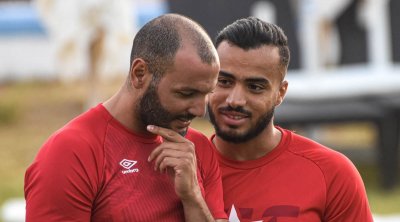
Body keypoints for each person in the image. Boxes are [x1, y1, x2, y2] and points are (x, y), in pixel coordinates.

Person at [25, 14, 227, 221]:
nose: (199, 110)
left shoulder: (198, 149)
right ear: (140, 74)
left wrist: (192, 197)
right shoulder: (72, 151)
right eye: (186, 94)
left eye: (207, 94)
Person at [207, 17, 373, 222]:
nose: (235, 100)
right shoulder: (177, 169)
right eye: (224, 81)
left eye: (255, 87)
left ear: (280, 93)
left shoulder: (332, 173)